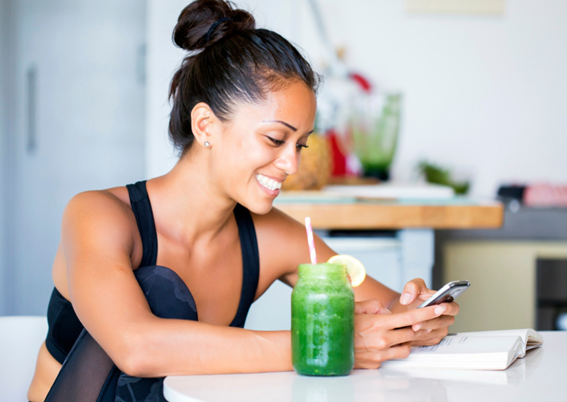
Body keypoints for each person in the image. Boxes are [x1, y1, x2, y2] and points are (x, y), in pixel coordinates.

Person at [28, 0, 459, 401]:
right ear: (206, 126)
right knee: (159, 289)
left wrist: (416, 317)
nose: (291, 164)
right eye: (275, 138)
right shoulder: (98, 215)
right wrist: (330, 347)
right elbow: (137, 347)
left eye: (301, 145)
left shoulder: (276, 237)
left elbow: (389, 311)